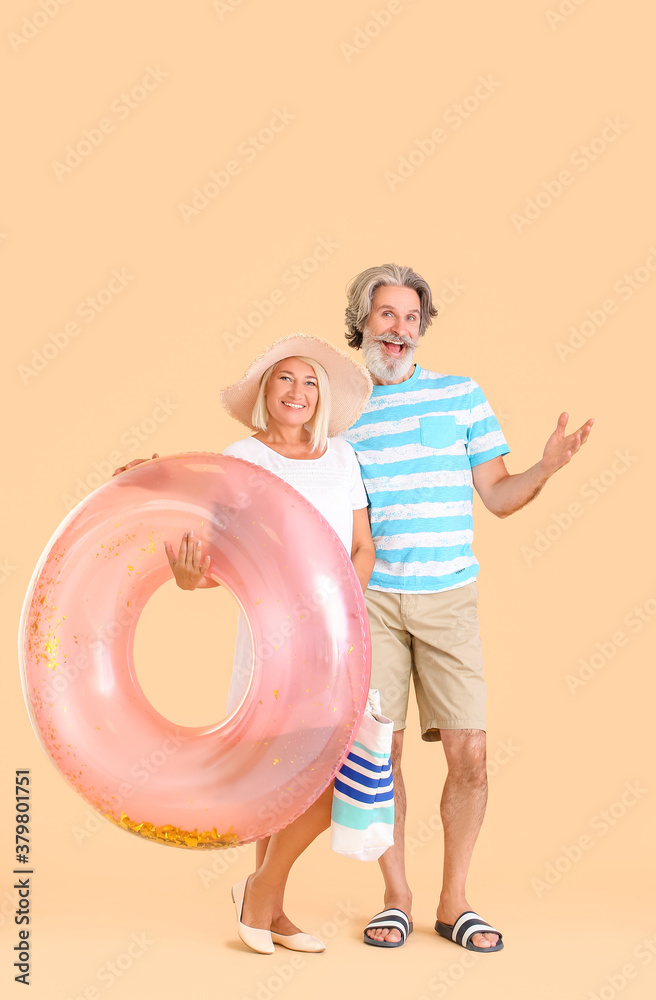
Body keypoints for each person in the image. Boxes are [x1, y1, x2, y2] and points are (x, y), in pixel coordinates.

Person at [340, 263, 594, 951]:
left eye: (410, 318)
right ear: (362, 321)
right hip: (375, 602)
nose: (399, 330)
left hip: (449, 597)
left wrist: (545, 468)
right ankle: (395, 898)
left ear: (422, 328)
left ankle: (454, 904)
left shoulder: (460, 397)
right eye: (386, 315)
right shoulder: (341, 410)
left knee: (471, 755)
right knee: (378, 755)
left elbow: (500, 497)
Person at [115, 334, 376, 954]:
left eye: (310, 381)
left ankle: (259, 893)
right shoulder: (243, 458)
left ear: (323, 396)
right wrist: (187, 577)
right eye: (285, 380)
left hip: (337, 639)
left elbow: (362, 547)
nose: (298, 392)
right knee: (279, 776)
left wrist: (338, 608)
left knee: (330, 771)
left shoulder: (343, 458)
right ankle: (269, 905)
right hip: (271, 640)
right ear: (266, 392)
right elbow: (217, 559)